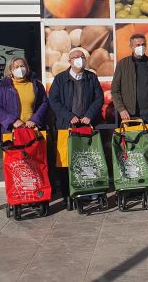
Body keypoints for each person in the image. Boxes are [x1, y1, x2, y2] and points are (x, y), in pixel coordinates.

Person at [48, 48, 104, 200]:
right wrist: (68, 116)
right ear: (70, 61)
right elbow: (53, 100)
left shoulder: (91, 77)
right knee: (66, 162)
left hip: (86, 126)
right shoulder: (60, 79)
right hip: (66, 127)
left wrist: (89, 115)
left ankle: (89, 191)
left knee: (88, 159)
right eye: (76, 57)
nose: (80, 59)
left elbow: (99, 98)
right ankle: (67, 194)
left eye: (82, 57)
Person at [112, 33, 148, 129]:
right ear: (131, 47)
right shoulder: (122, 64)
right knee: (131, 142)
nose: (141, 47)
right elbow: (115, 90)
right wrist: (121, 109)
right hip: (130, 114)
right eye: (138, 45)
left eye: (143, 44)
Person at [0, 58, 49, 133]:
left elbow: (44, 103)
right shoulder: (3, 86)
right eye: (16, 67)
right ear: (10, 70)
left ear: (27, 68)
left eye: (22, 66)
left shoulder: (36, 85)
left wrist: (34, 120)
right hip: (12, 130)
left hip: (33, 129)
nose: (20, 69)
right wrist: (13, 121)